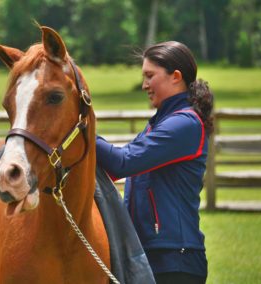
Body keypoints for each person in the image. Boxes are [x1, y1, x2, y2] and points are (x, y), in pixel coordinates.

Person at [96, 41, 214, 284]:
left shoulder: (184, 124)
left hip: (175, 262)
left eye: (150, 76)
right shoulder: (159, 124)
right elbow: (115, 169)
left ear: (176, 77)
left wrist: (78, 130)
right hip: (152, 256)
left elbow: (123, 163)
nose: (144, 85)